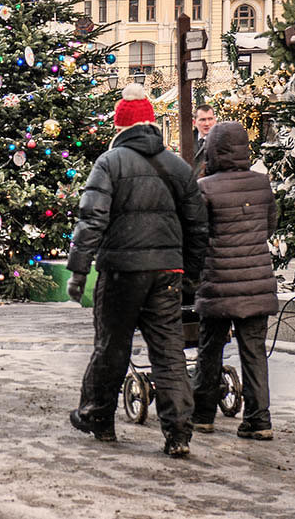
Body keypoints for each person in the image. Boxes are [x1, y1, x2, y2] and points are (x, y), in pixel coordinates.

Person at [67, 83, 208, 458]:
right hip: (167, 273)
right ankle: (178, 432)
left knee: (111, 346)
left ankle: (99, 418)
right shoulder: (178, 166)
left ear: (120, 127)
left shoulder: (109, 164)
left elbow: (91, 218)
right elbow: (198, 224)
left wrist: (79, 271)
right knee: (169, 352)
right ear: (151, 124)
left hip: (120, 271)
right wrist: (189, 273)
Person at [190, 121, 279, 441]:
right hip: (256, 282)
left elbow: (198, 236)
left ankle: (202, 415)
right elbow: (269, 228)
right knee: (254, 352)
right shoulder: (261, 184)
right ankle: (259, 420)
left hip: (218, 282)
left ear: (213, 150)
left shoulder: (206, 187)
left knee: (210, 349)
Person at [192, 104, 217, 178]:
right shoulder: (187, 140)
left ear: (215, 120)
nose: (207, 124)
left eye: (210, 119)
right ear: (194, 122)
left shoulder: (221, 141)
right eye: (202, 120)